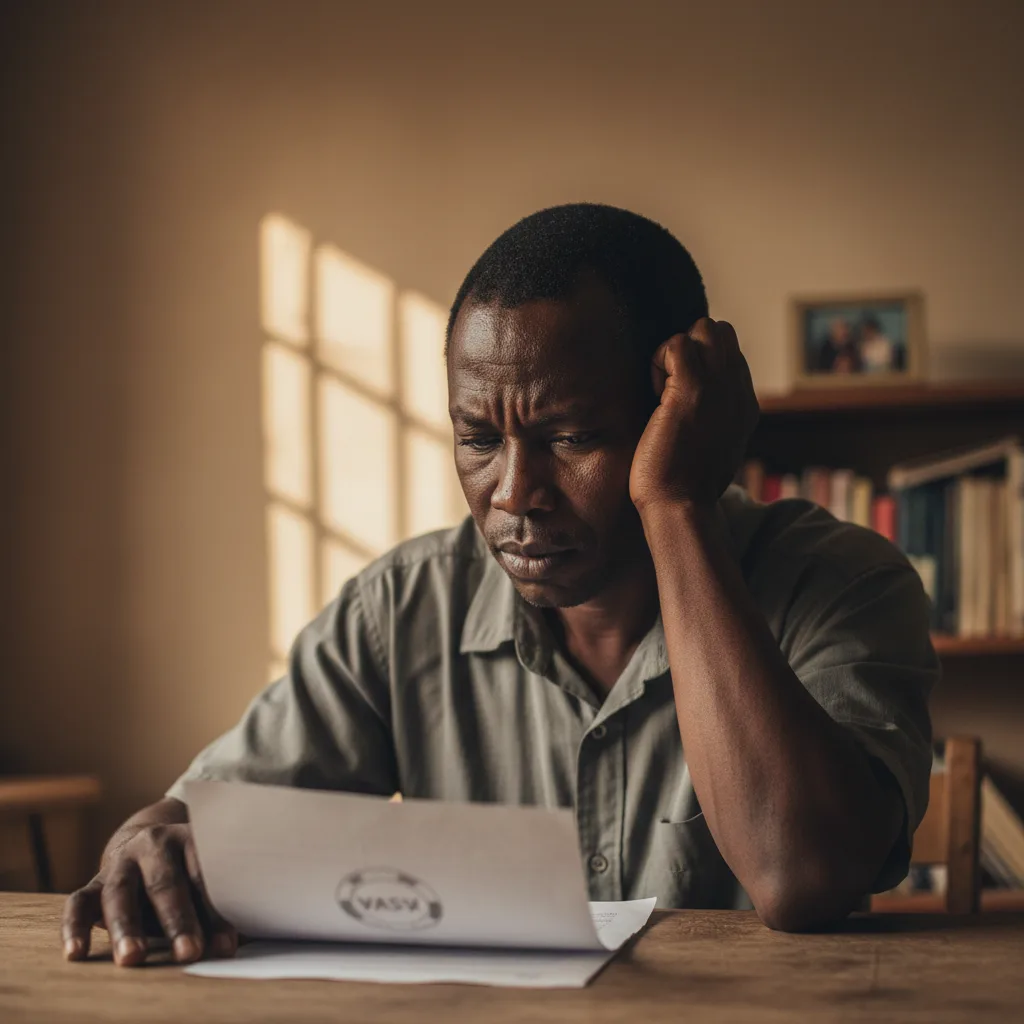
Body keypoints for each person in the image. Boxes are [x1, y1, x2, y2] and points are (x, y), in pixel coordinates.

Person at [62, 204, 935, 966]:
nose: (515, 495)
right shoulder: (400, 613)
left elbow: (802, 876)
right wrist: (153, 840)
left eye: (570, 436)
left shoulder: (842, 583)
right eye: (478, 438)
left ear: (680, 411)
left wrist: (675, 504)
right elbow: (198, 820)